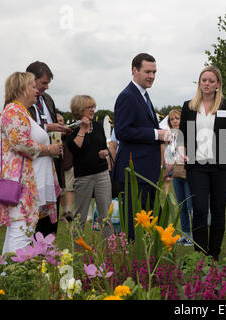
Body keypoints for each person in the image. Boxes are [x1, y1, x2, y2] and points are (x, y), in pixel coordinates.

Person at [0, 72, 62, 254]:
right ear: (22, 89)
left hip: (29, 183)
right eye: (32, 87)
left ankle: (6, 277)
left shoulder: (20, 112)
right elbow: (20, 143)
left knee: (20, 231)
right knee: (21, 231)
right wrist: (49, 150)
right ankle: (15, 274)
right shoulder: (13, 111)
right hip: (22, 185)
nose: (36, 91)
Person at [178, 66, 226, 260]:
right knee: (200, 209)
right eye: (204, 80)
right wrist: (181, 150)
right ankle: (200, 255)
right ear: (199, 82)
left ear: (218, 84)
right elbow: (182, 136)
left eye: (211, 81)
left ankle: (214, 254)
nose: (207, 84)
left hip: (221, 167)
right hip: (197, 167)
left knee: (219, 210)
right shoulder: (188, 106)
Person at [112, 53, 170, 241]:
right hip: (135, 173)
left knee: (149, 223)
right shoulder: (127, 96)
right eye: (147, 71)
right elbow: (122, 131)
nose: (151, 76)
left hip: (146, 172)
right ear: (134, 70)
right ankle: (135, 265)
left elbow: (140, 128)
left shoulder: (143, 95)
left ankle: (146, 263)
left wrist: (161, 137)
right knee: (134, 226)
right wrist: (156, 134)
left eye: (154, 72)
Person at [26, 61, 70, 237]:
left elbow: (48, 120)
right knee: (33, 221)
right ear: (31, 79)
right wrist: (50, 127)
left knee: (50, 221)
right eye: (43, 83)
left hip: (52, 166)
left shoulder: (47, 99)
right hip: (34, 167)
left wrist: (58, 122)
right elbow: (28, 130)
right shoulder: (22, 101)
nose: (46, 87)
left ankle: (48, 256)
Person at [65, 95, 113, 244]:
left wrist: (105, 153)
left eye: (93, 106)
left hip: (102, 173)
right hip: (83, 177)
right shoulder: (71, 130)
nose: (93, 110)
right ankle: (78, 249)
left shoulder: (98, 126)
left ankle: (109, 247)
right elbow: (75, 148)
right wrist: (83, 129)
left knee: (106, 213)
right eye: (89, 107)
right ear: (80, 110)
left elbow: (104, 147)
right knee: (80, 215)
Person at [165, 109, 193, 246]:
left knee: (190, 205)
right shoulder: (171, 137)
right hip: (176, 174)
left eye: (177, 118)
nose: (175, 121)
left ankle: (194, 236)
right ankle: (185, 234)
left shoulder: (187, 134)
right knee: (181, 206)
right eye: (172, 119)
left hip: (187, 172)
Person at [57, 114, 74, 222]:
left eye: (61, 120)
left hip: (69, 164)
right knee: (60, 190)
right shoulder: (51, 133)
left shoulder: (69, 132)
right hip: (57, 165)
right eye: (57, 120)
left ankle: (69, 212)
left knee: (69, 188)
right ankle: (63, 213)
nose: (59, 122)